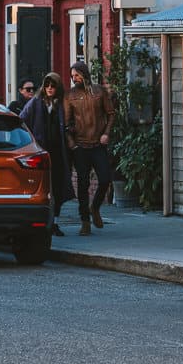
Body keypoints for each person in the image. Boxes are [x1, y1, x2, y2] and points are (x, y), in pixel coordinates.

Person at [19, 73, 73, 236]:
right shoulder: (35, 102)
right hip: (40, 153)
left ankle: (55, 222)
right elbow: (21, 121)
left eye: (53, 85)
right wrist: (30, 141)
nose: (50, 88)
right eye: (47, 85)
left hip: (58, 153)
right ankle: (43, 223)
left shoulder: (61, 104)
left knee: (57, 187)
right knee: (42, 189)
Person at [64, 60, 115, 234]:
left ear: (84, 73)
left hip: (97, 144)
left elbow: (111, 114)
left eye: (77, 75)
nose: (74, 78)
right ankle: (84, 220)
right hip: (80, 146)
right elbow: (66, 122)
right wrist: (72, 143)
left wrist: (106, 133)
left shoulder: (99, 91)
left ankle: (95, 208)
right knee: (83, 184)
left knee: (105, 179)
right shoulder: (69, 95)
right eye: (72, 76)